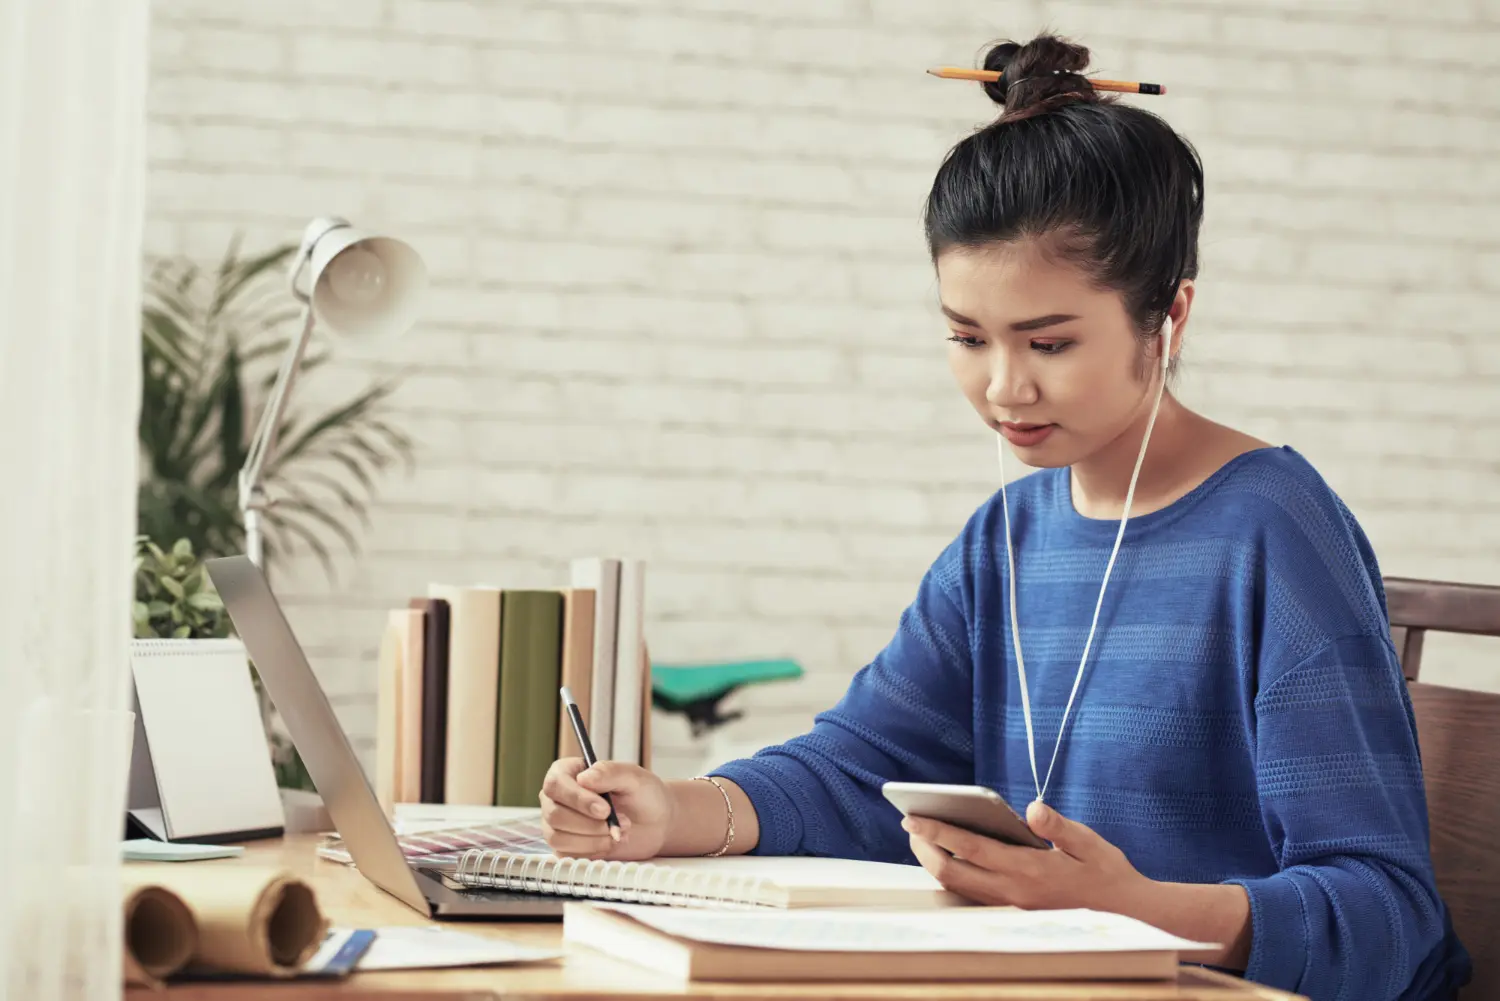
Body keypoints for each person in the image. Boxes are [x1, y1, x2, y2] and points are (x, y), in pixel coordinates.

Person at [538, 33, 1472, 1001]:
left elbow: (1388, 913)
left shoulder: (1276, 532)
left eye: (1051, 340)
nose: (1003, 385)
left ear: (1170, 315)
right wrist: (669, 810)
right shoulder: (1005, 541)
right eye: (966, 336)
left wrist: (1133, 904)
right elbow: (860, 767)